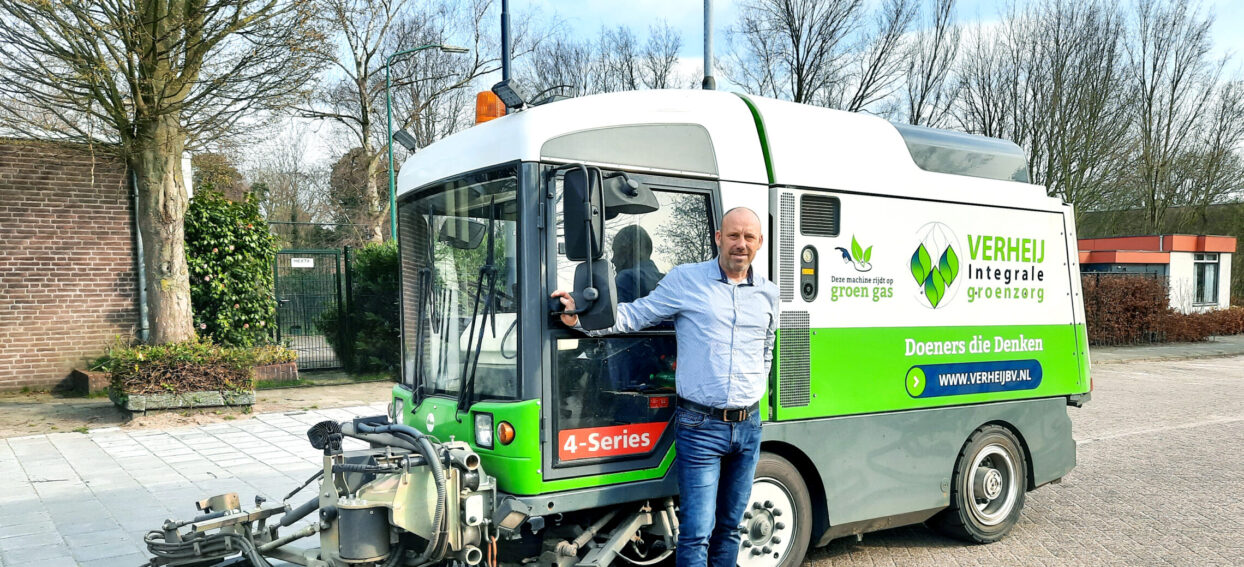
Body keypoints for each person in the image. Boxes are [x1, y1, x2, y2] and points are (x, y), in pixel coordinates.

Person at [552, 207, 779, 567]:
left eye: (748, 237)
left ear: (759, 243)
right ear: (718, 238)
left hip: (749, 426)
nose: (741, 244)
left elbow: (766, 347)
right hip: (701, 427)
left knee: (731, 527)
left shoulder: (768, 293)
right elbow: (634, 315)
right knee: (696, 533)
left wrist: (754, 392)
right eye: (733, 236)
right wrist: (582, 321)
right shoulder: (687, 280)